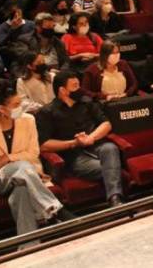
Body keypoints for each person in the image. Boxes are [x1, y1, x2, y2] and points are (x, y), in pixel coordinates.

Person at [0, 83, 72, 241]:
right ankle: (54, 209)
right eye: (16, 105)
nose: (21, 107)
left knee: (21, 191)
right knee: (23, 167)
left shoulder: (29, 120)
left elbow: (33, 152)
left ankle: (29, 243)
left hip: (27, 175)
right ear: (2, 109)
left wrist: (8, 158)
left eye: (20, 103)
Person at [36, 71, 125, 206]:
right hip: (74, 157)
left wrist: (90, 137)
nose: (80, 89)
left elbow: (106, 124)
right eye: (75, 86)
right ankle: (116, 200)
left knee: (110, 148)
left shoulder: (87, 102)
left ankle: (115, 200)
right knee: (112, 168)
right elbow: (44, 145)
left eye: (79, 85)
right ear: (63, 90)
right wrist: (73, 143)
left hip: (97, 146)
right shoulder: (47, 112)